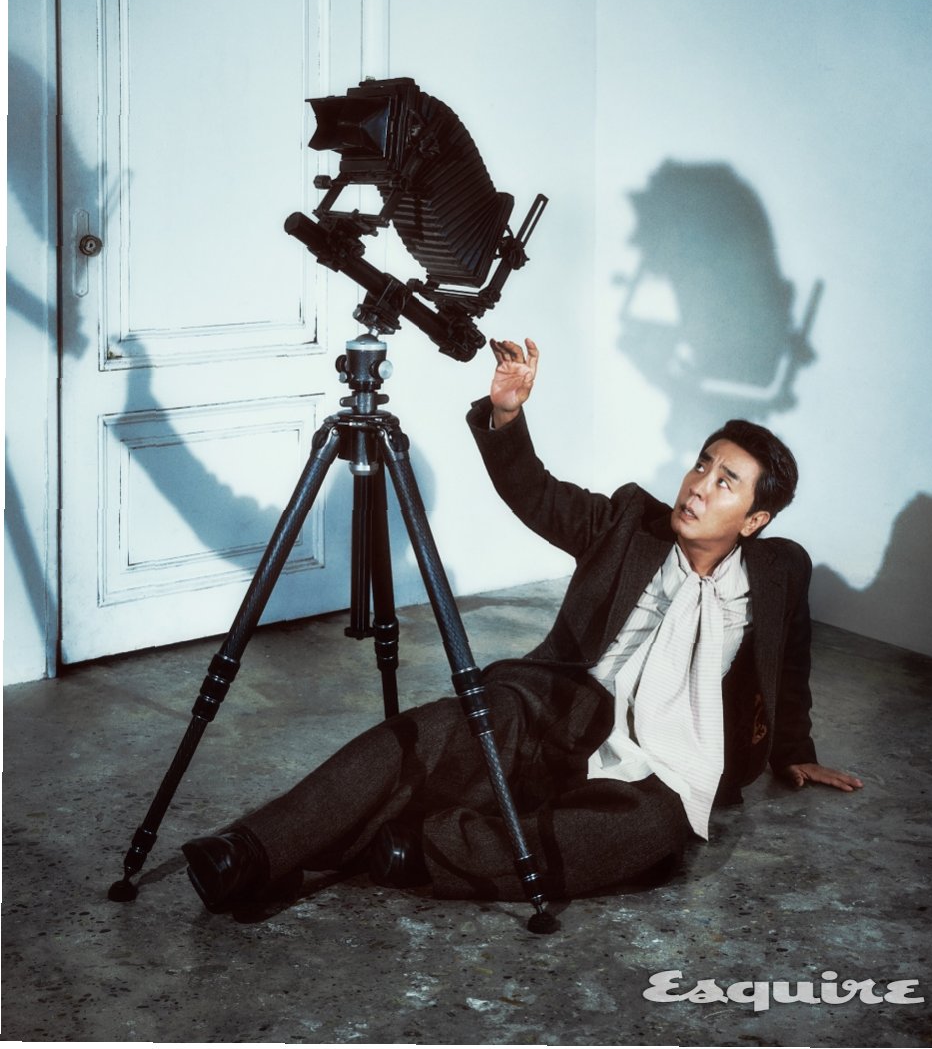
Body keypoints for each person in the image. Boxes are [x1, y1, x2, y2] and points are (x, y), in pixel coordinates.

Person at [181, 338, 861, 913]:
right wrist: (507, 413)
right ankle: (251, 850)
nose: (699, 486)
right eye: (701, 464)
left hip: (662, 756)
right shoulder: (629, 522)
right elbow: (534, 491)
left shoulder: (778, 572)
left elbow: (788, 659)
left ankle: (420, 847)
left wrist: (792, 748)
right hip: (559, 705)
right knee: (427, 733)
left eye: (725, 482)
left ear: (754, 520)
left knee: (655, 830)